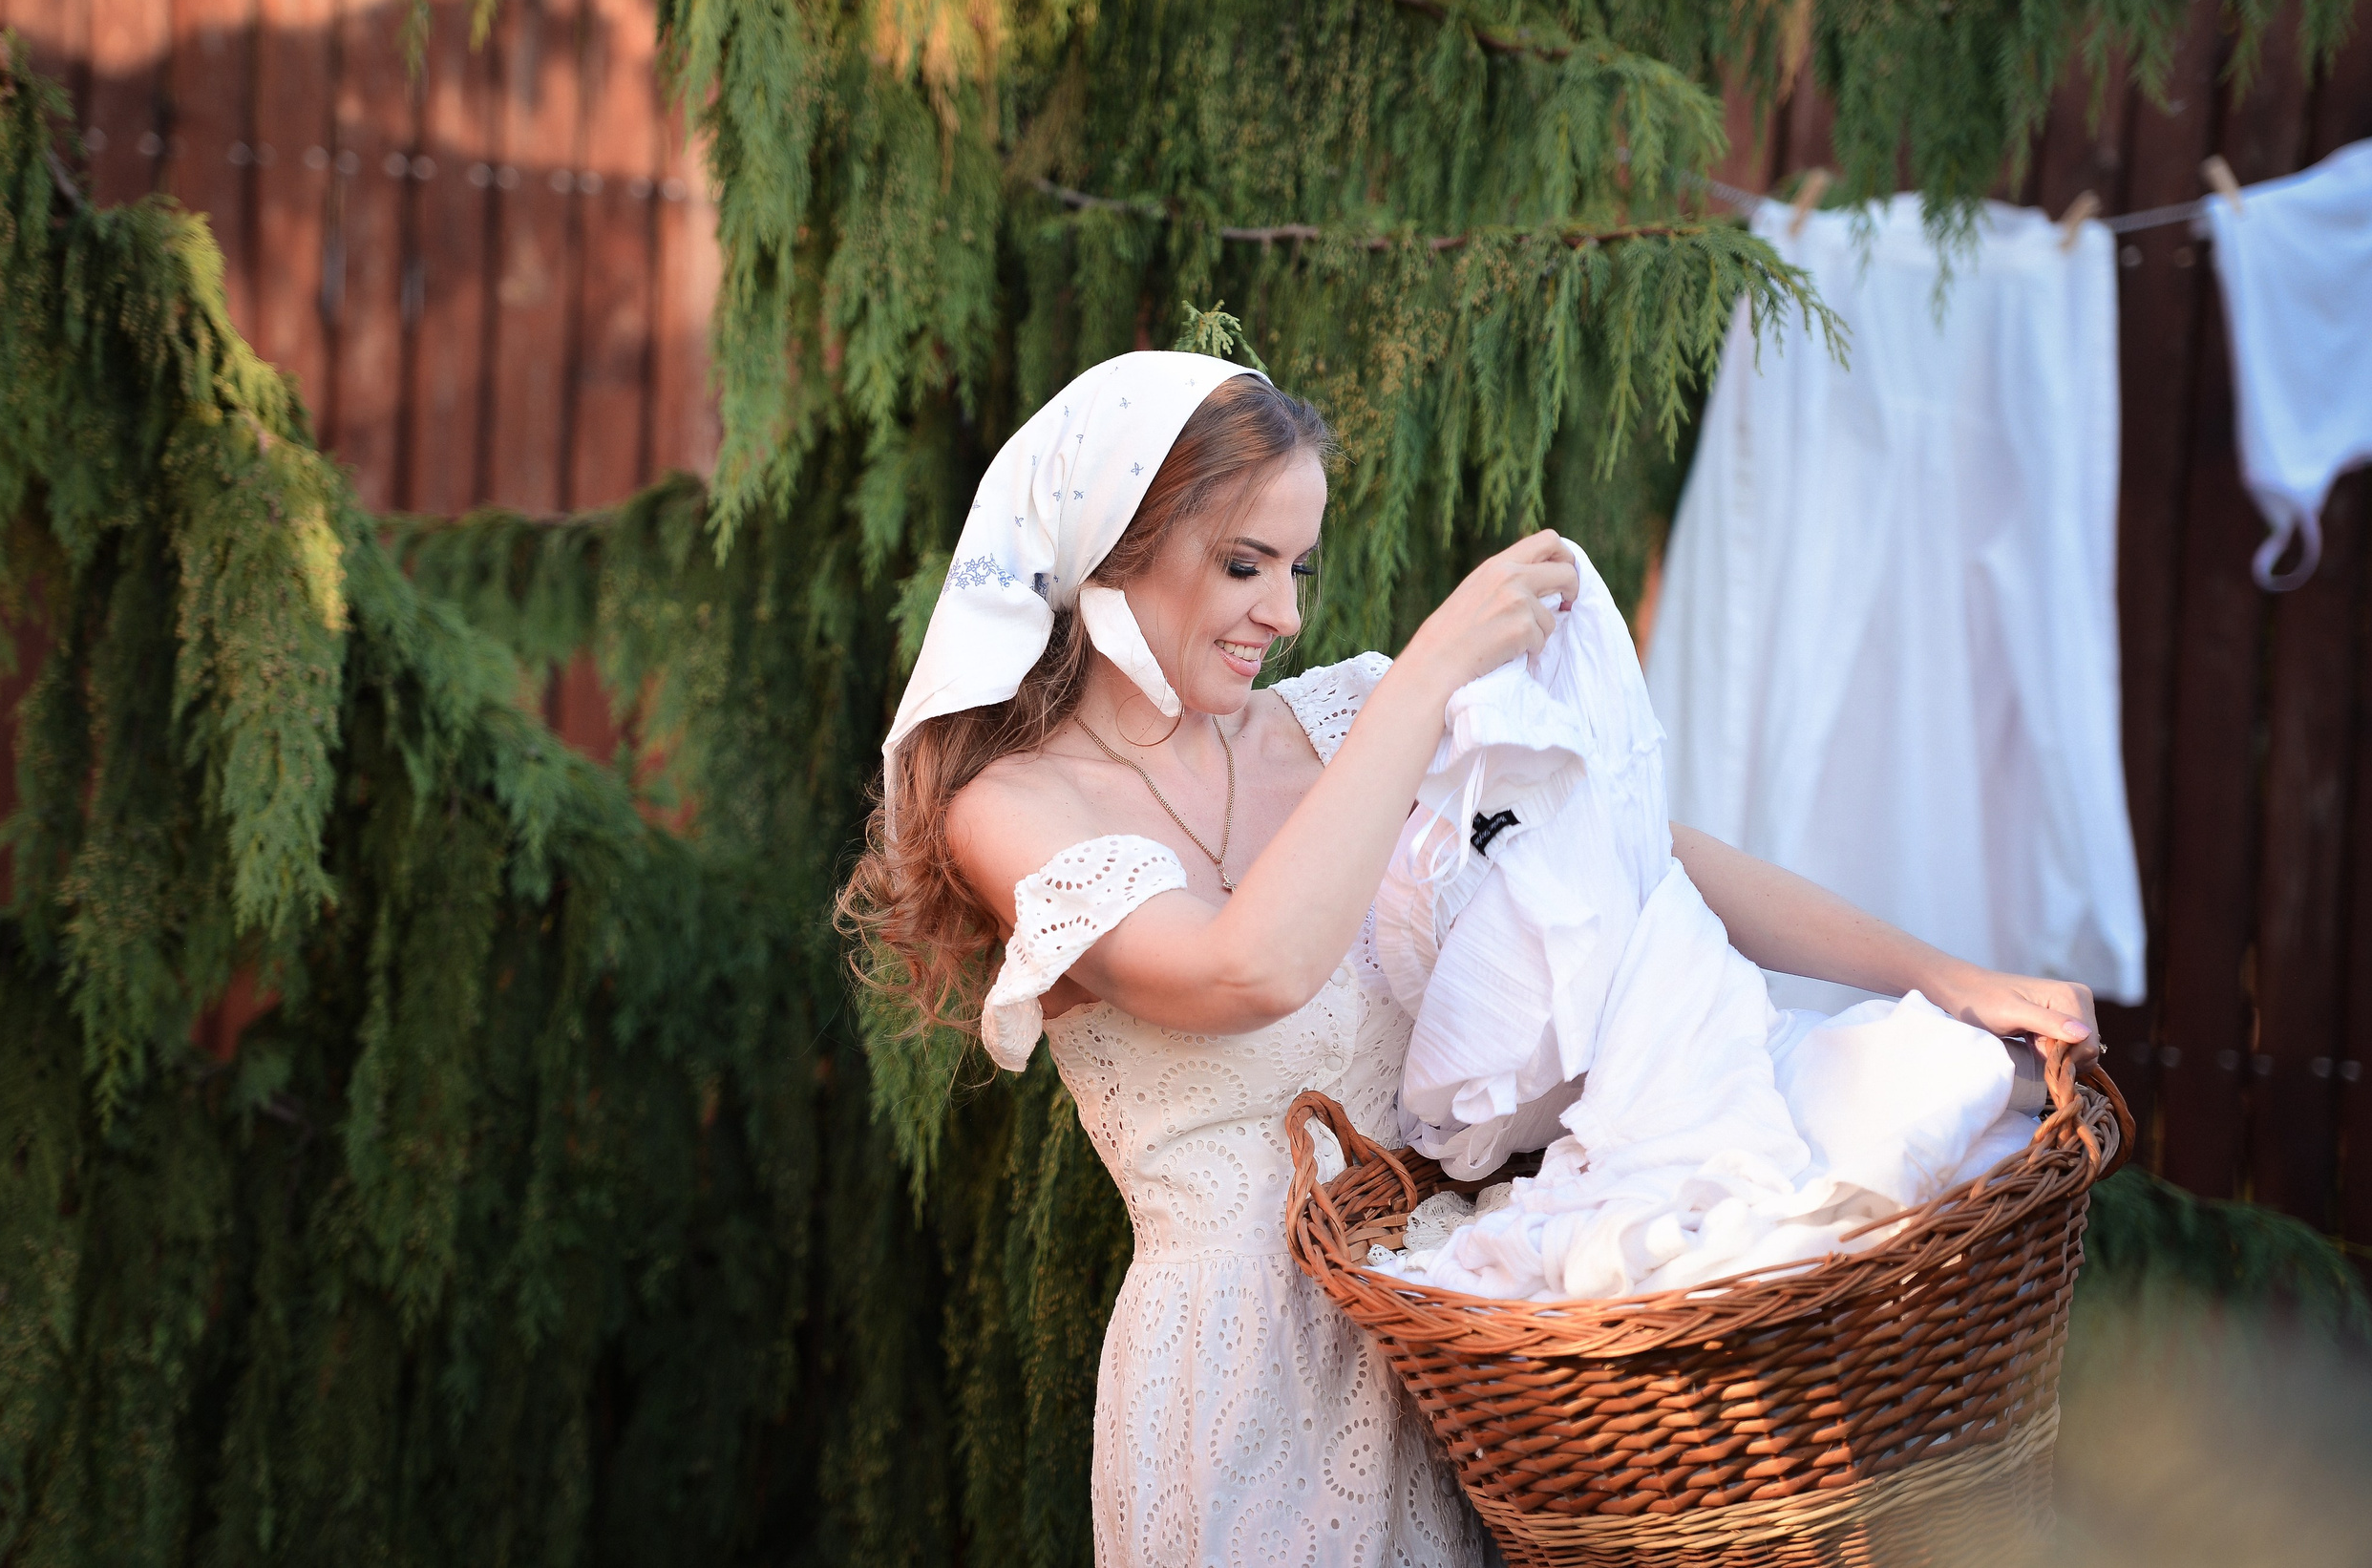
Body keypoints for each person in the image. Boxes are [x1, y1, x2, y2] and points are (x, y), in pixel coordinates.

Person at [841, 352, 2100, 1567]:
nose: (1284, 613)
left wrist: (1946, 980)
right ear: (1115, 547)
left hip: (1473, 1345)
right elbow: (1243, 970)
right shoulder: (1010, 803)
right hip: (1241, 1379)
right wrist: (1435, 667)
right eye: (1244, 563)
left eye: (1298, 566)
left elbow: (1631, 860)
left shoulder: (1344, 718)